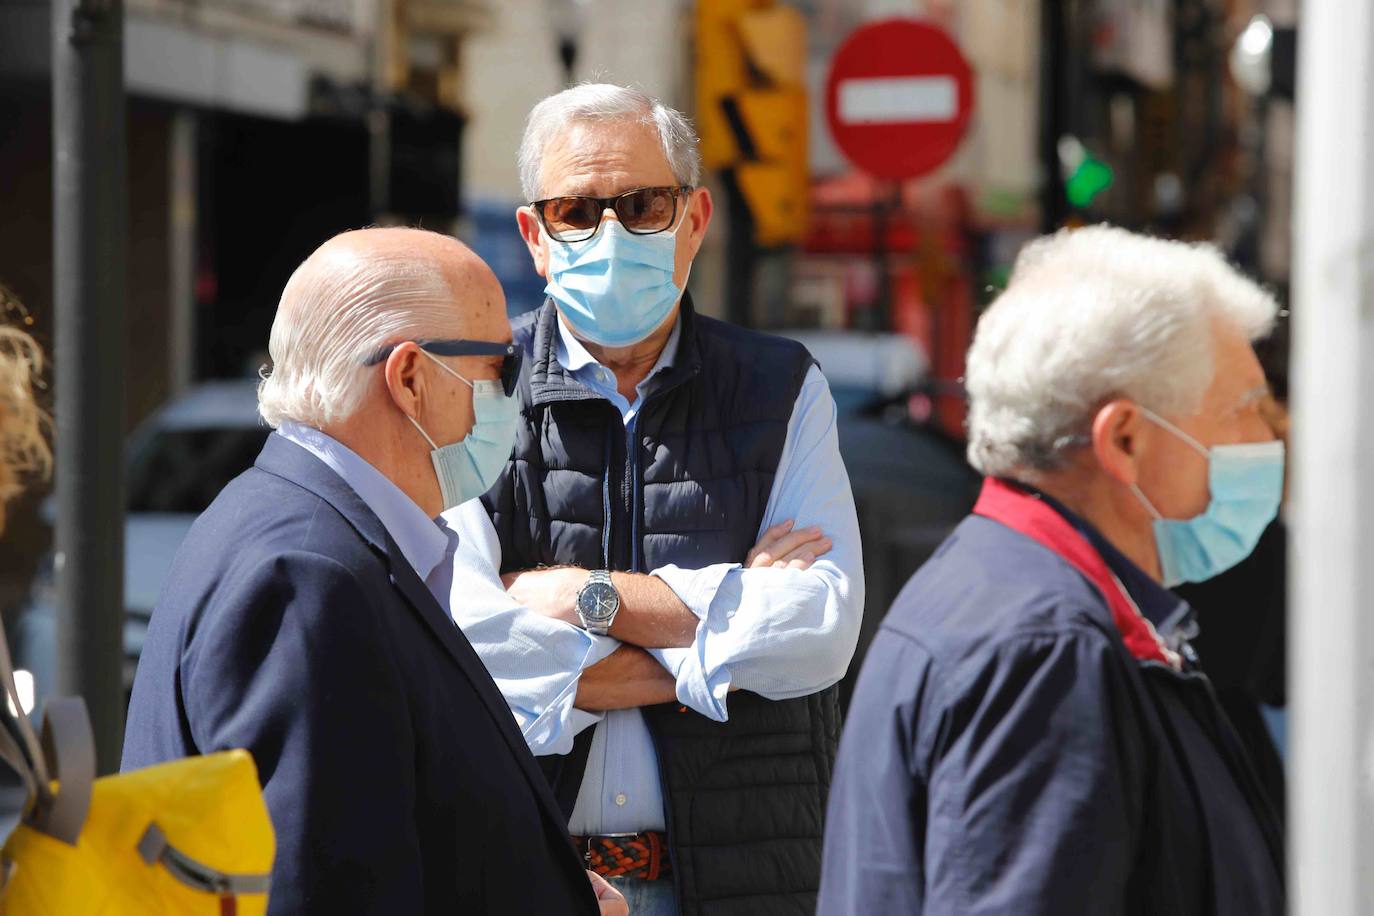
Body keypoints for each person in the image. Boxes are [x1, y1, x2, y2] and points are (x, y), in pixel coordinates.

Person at [441, 83, 864, 915]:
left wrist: (577, 600)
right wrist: (718, 657)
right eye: (576, 210)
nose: (610, 234)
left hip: (741, 877)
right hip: (528, 872)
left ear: (695, 219)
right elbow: (463, 647)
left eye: (641, 205)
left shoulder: (780, 387)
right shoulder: (480, 387)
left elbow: (819, 629)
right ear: (533, 235)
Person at [122, 229, 624, 916]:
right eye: (502, 369)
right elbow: (320, 891)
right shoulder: (309, 578)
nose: (520, 399)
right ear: (411, 378)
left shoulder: (308, 532)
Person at [819, 226, 1285, 915]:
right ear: (1125, 438)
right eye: (1245, 409)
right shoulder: (1043, 647)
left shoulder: (1007, 594)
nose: (1269, 437)